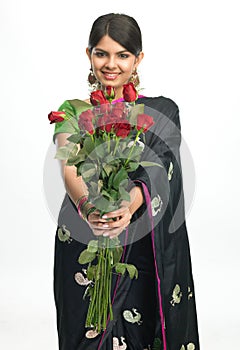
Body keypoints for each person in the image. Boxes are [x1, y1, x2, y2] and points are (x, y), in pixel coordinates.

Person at [51, 13, 200, 350]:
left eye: (122, 55)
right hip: (86, 233)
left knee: (144, 325)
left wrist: (129, 206)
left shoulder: (161, 113)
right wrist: (90, 210)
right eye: (101, 53)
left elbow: (161, 165)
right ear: (88, 54)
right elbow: (69, 170)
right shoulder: (72, 111)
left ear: (138, 59)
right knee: (86, 328)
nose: (111, 65)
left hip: (144, 242)